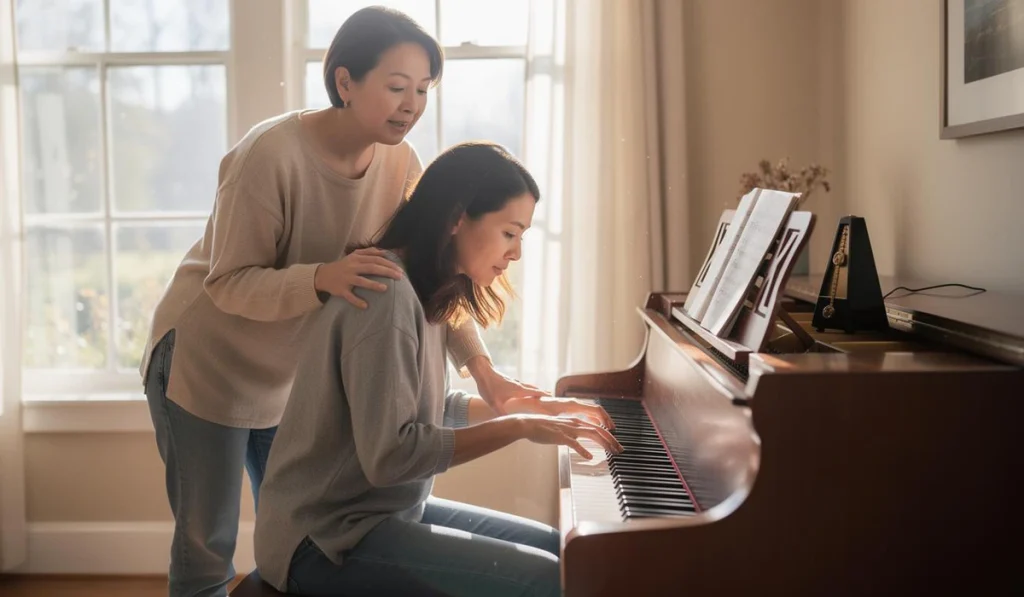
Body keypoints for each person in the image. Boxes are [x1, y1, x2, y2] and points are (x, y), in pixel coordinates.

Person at [140, 7, 563, 597]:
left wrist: (484, 371)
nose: (411, 104)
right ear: (344, 81)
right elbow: (227, 282)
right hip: (212, 360)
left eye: (423, 89)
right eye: (396, 87)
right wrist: (320, 277)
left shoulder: (401, 163)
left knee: (295, 520)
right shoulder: (269, 156)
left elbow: (432, 280)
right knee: (207, 548)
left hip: (294, 369)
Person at [253, 140, 624, 597]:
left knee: (566, 554)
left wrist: (520, 407)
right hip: (322, 540)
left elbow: (423, 405)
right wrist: (517, 426)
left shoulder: (426, 293)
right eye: (510, 233)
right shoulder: (386, 298)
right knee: (544, 579)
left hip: (383, 515)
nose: (516, 255)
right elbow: (390, 456)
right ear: (457, 218)